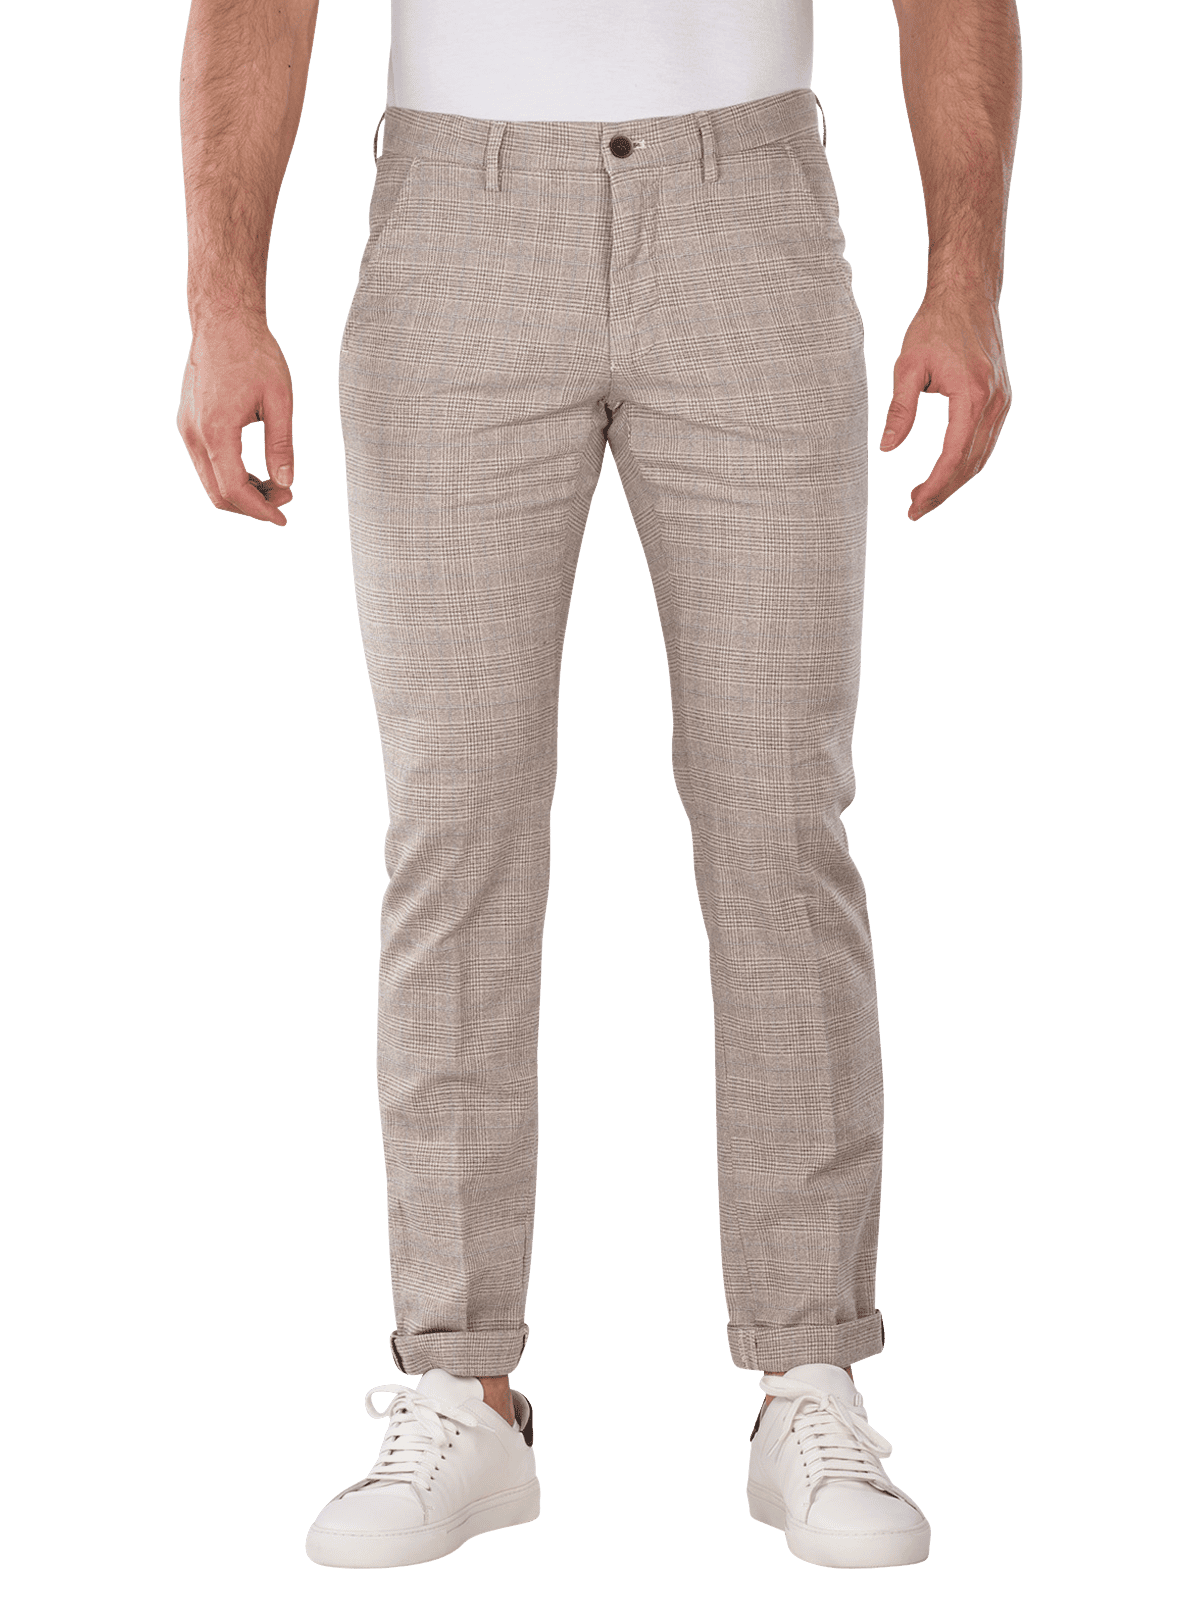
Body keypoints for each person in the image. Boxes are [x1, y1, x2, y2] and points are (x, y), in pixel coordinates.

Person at [177, 0, 1018, 1572]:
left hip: (750, 217)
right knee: (454, 825)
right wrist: (225, 300)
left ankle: (809, 1380)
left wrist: (964, 282)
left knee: (781, 817)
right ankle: (462, 1391)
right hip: (455, 229)